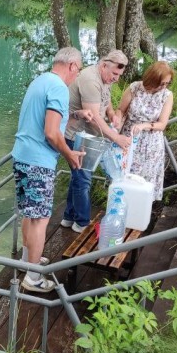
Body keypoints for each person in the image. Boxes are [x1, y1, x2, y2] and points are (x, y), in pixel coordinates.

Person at [12, 46, 86, 293]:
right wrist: (70, 155)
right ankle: (33, 277)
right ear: (73, 66)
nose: (77, 75)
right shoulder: (59, 88)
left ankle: (26, 260)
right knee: (41, 219)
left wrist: (74, 115)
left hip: (22, 155)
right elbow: (52, 132)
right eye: (79, 70)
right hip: (38, 161)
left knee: (30, 214)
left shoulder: (41, 81)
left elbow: (46, 118)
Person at [60, 49, 132, 232]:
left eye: (119, 75)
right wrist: (116, 137)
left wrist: (111, 114)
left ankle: (69, 217)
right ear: (103, 65)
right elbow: (93, 119)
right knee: (83, 179)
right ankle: (82, 223)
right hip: (77, 134)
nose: (116, 78)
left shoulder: (105, 77)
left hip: (89, 134)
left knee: (78, 177)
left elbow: (105, 101)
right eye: (114, 74)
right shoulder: (91, 80)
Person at [116, 61, 175, 201]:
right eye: (161, 83)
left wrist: (144, 125)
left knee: (143, 183)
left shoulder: (166, 95)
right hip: (129, 140)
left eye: (167, 83)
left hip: (150, 144)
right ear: (152, 79)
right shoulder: (135, 88)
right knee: (124, 179)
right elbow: (120, 110)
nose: (163, 86)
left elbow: (162, 124)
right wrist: (116, 122)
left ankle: (138, 217)